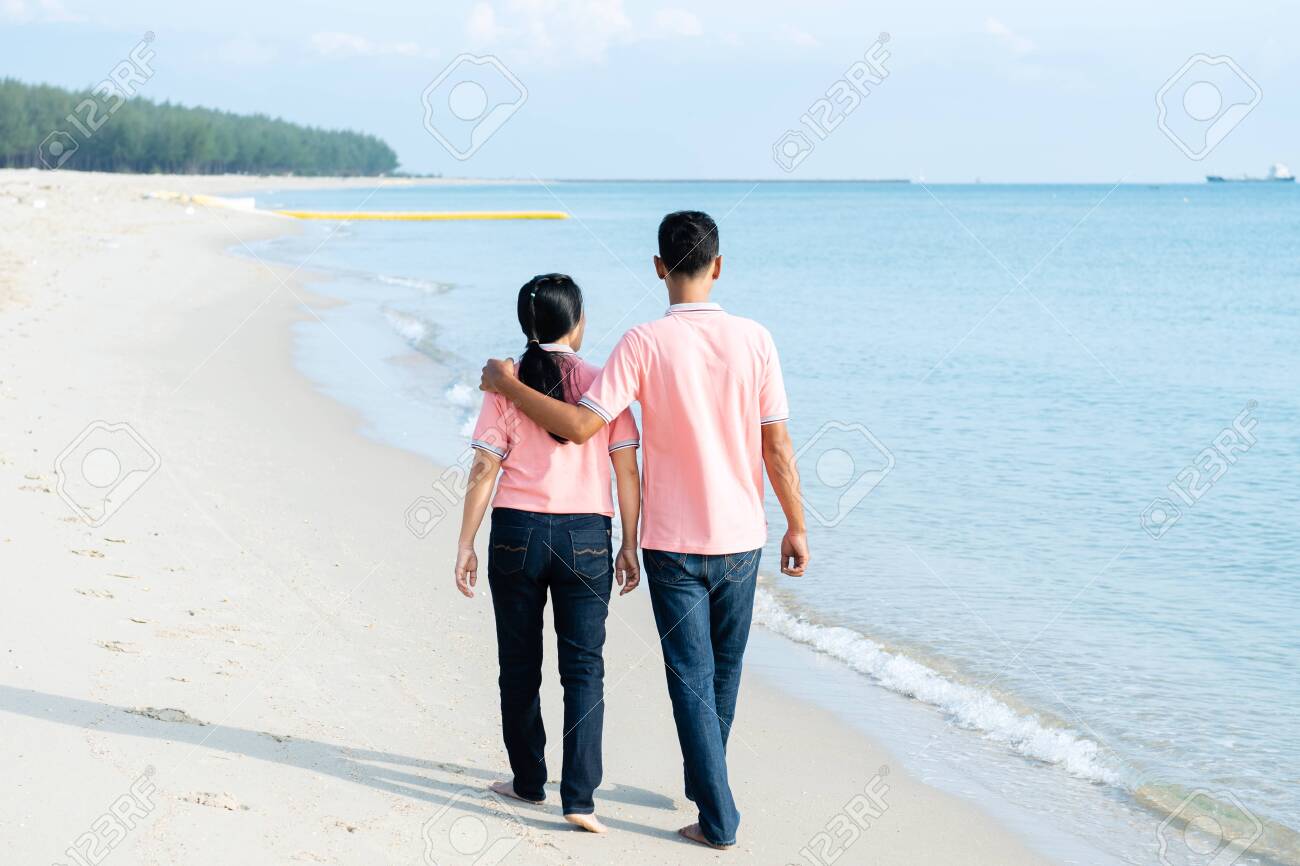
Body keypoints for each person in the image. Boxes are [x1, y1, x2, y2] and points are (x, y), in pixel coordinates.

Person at [479, 212, 809, 849]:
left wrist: (507, 386)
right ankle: (710, 794)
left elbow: (580, 427)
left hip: (672, 544)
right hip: (743, 536)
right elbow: (778, 445)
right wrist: (797, 523)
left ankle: (714, 808)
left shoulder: (641, 343)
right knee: (723, 673)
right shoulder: (756, 339)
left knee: (691, 677)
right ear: (718, 266)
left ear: (659, 267)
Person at [455, 273, 642, 834]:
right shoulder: (602, 381)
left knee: (519, 663)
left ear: (525, 324)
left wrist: (465, 541)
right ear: (577, 323)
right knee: (584, 667)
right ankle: (580, 798)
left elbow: (485, 466)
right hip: (586, 536)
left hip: (516, 532)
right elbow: (626, 470)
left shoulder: (504, 382)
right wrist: (629, 541)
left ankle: (528, 780)